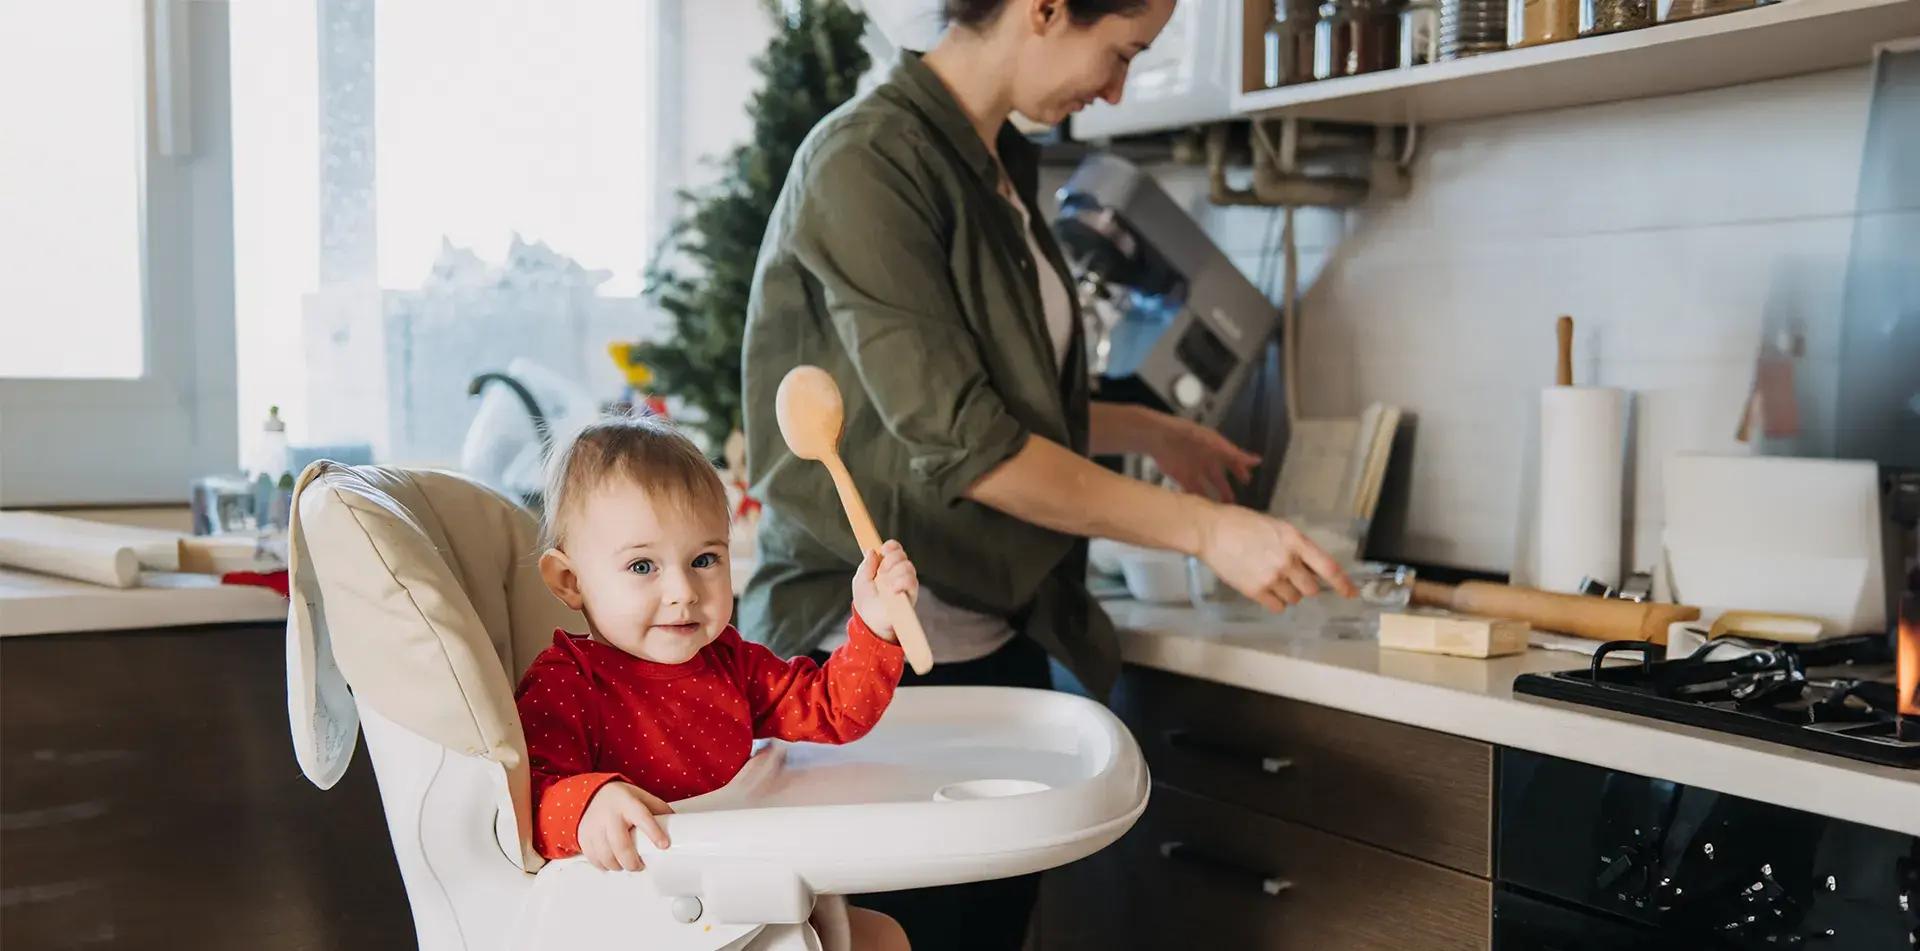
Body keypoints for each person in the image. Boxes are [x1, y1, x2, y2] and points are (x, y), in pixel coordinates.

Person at [741, 0, 1357, 946]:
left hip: (988, 633)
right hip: (863, 657)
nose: (1115, 88)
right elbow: (968, 443)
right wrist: (1205, 529)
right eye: (1119, 52)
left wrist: (1146, 428)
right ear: (1044, 9)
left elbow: (986, 403)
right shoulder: (867, 162)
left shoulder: (998, 162)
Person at [514, 416, 918, 951]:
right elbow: (525, 802)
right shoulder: (567, 684)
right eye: (642, 567)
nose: (683, 590)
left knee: (885, 937)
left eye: (704, 559)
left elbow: (831, 709)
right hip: (648, 917)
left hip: (745, 890)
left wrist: (874, 623)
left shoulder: (729, 662)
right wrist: (588, 803)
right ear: (570, 582)